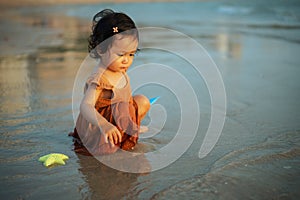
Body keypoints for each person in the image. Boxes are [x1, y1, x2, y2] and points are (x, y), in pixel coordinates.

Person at [69, 9, 150, 156]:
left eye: (131, 54)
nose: (127, 60)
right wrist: (104, 125)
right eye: (121, 54)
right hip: (99, 127)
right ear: (101, 49)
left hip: (117, 118)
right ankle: (112, 137)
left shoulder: (119, 69)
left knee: (142, 101)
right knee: (108, 152)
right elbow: (85, 106)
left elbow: (126, 102)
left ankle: (127, 130)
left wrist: (130, 122)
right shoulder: (100, 78)